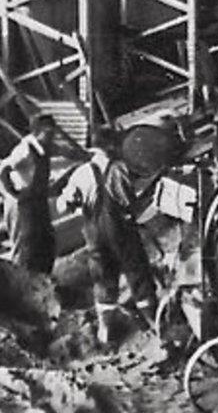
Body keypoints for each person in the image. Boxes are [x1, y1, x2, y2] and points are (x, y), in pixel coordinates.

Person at [57, 129, 157, 345]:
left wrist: (78, 205)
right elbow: (130, 204)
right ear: (112, 146)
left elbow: (62, 206)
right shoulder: (120, 170)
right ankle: (154, 324)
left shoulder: (81, 173)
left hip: (95, 235)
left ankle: (105, 331)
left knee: (104, 281)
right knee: (138, 277)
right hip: (122, 232)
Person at [0, 113, 75, 274]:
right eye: (48, 132)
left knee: (46, 242)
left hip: (38, 202)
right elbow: (2, 171)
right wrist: (12, 193)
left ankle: (44, 279)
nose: (52, 135)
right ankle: (22, 284)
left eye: (53, 131)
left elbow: (68, 152)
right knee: (27, 248)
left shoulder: (46, 145)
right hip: (23, 205)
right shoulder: (25, 149)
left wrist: (89, 155)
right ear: (36, 132)